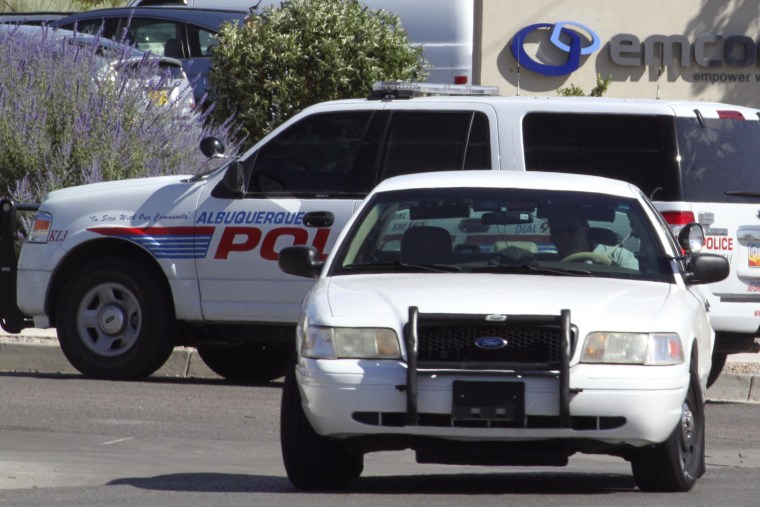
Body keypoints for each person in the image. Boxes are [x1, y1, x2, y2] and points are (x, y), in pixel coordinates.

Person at [547, 206, 639, 270]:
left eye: (571, 230)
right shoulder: (543, 264)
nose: (565, 237)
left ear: (585, 230)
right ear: (552, 237)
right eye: (558, 231)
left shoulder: (620, 258)